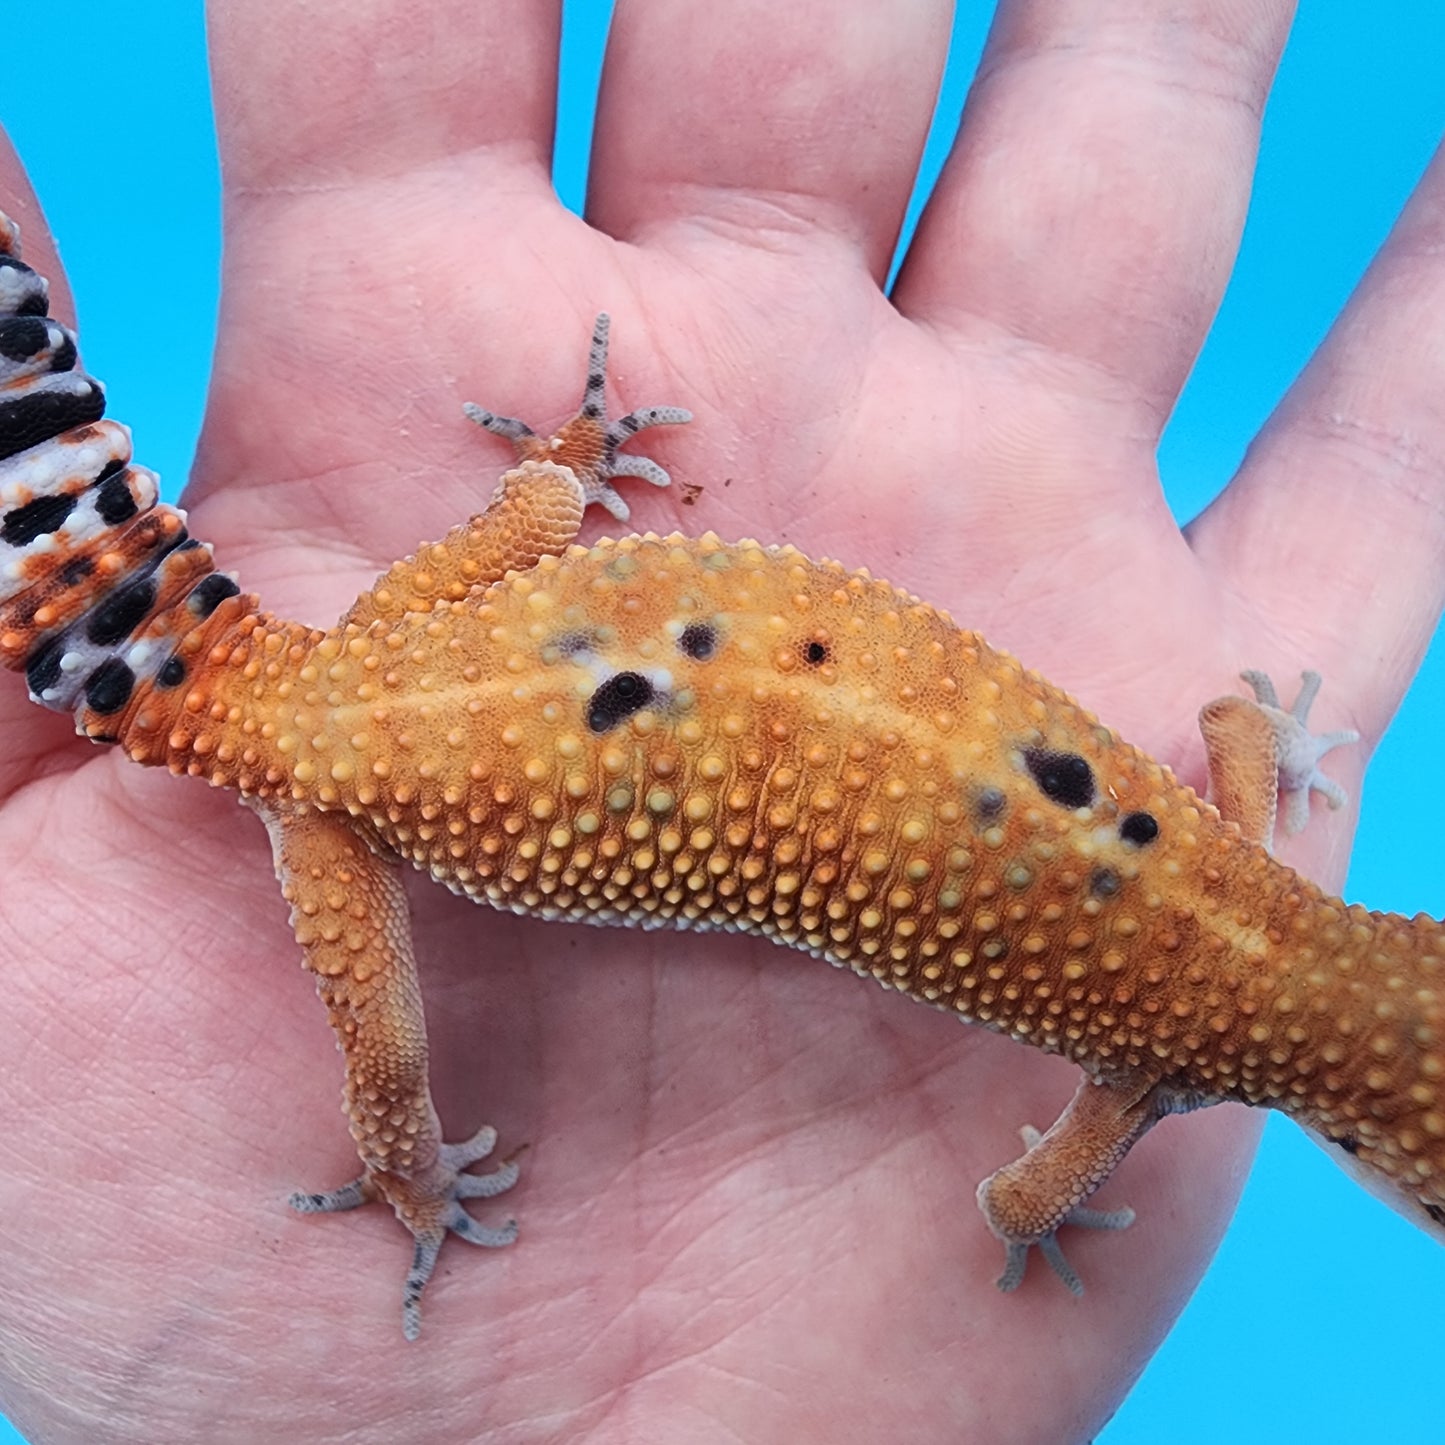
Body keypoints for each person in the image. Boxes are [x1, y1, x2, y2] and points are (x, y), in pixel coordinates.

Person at [0, 3, 1441, 1440]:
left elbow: (1239, 721)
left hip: (430, 653)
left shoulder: (1252, 860)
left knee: (549, 509)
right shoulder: (1150, 1073)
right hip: (357, 759)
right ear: (1380, 1166)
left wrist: (556, 475)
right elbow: (1019, 1201)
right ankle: (401, 1177)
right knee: (389, 1073)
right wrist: (413, 1166)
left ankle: (563, 472)